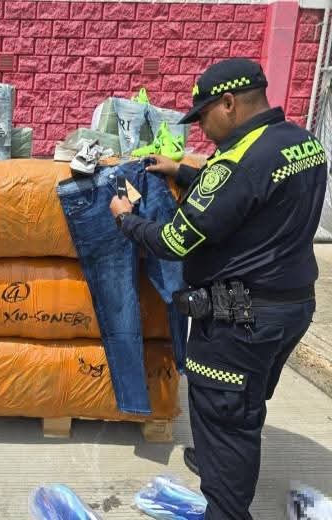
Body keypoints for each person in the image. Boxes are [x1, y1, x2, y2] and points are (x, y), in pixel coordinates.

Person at [109, 58, 327, 519]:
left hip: (239, 320)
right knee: (243, 404)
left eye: (203, 115)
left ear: (229, 103)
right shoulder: (302, 143)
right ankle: (217, 459)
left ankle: (226, 503)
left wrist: (126, 220)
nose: (202, 128)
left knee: (227, 418)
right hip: (290, 307)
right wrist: (184, 171)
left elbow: (174, 241)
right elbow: (251, 197)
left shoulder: (237, 163)